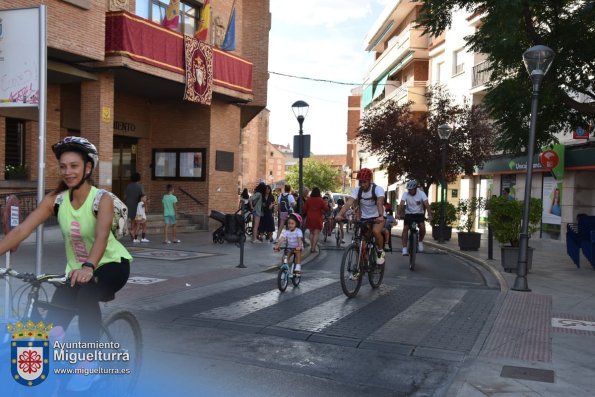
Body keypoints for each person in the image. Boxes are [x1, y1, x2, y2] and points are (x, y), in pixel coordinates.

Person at [0, 136, 132, 391]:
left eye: (74, 165)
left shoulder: (101, 199)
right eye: (63, 166)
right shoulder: (56, 200)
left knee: (86, 295)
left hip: (111, 265)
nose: (68, 172)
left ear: (88, 168)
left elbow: (103, 236)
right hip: (76, 273)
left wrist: (88, 266)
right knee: (51, 326)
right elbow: (21, 231)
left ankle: (90, 360)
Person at [335, 168, 386, 265]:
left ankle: (380, 251)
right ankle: (361, 265)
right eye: (361, 182)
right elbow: (348, 203)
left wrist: (380, 215)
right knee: (360, 243)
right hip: (365, 217)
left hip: (378, 216)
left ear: (370, 180)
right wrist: (339, 214)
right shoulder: (357, 190)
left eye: (365, 182)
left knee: (375, 231)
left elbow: (379, 202)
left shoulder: (377, 189)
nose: (362, 184)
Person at [397, 180, 432, 256]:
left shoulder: (421, 194)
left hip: (419, 214)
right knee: (405, 228)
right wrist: (398, 214)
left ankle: (420, 241)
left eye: (411, 189)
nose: (410, 191)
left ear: (416, 188)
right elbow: (401, 204)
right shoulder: (405, 194)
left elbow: (426, 204)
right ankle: (404, 248)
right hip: (409, 214)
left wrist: (429, 215)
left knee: (422, 227)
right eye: (409, 189)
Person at [303, 187, 327, 253]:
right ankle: (313, 248)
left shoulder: (309, 200)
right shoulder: (321, 200)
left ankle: (311, 246)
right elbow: (326, 208)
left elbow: (304, 209)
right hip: (318, 217)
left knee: (311, 232)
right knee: (316, 233)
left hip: (310, 217)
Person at [125, 172, 144, 242]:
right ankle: (133, 231)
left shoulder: (128, 186)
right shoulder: (140, 186)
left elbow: (125, 196)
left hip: (129, 204)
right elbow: (142, 196)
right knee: (139, 221)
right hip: (137, 205)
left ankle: (133, 234)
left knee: (133, 220)